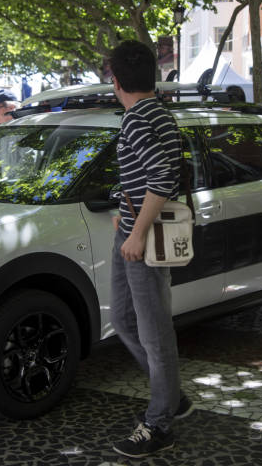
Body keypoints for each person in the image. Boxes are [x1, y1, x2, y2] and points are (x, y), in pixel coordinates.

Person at [107, 40, 192, 459]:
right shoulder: (153, 113)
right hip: (129, 229)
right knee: (123, 319)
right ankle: (171, 395)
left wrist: (137, 232)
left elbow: (162, 177)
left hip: (143, 240)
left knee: (154, 334)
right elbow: (145, 174)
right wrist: (123, 209)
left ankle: (160, 423)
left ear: (115, 80)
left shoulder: (141, 118)